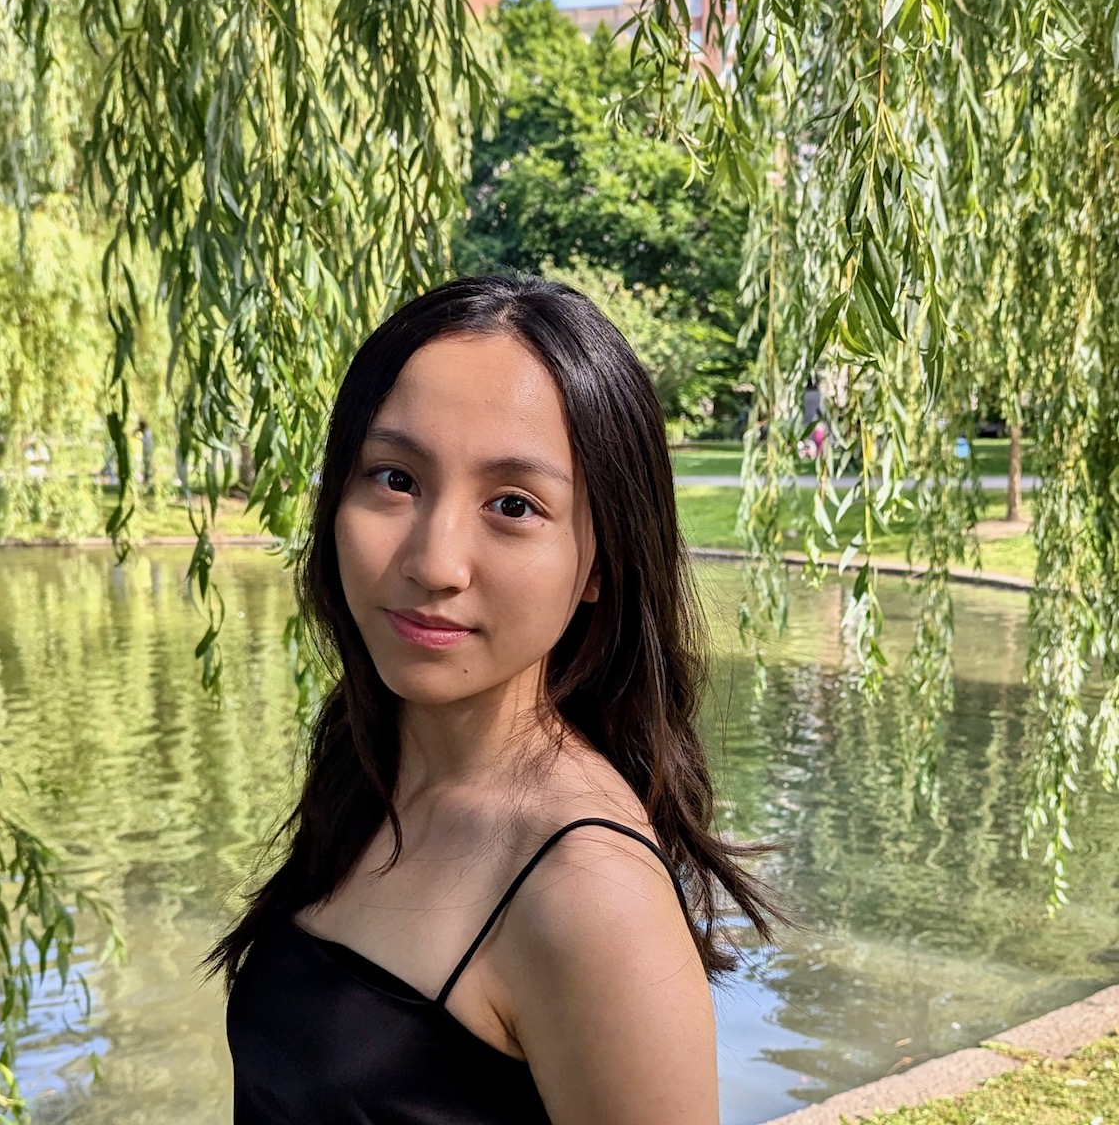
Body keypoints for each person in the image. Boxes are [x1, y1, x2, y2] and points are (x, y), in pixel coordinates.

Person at [211, 275, 780, 1124]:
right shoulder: (376, 763)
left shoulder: (591, 893)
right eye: (395, 478)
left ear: (600, 563)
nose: (434, 563)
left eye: (514, 505)